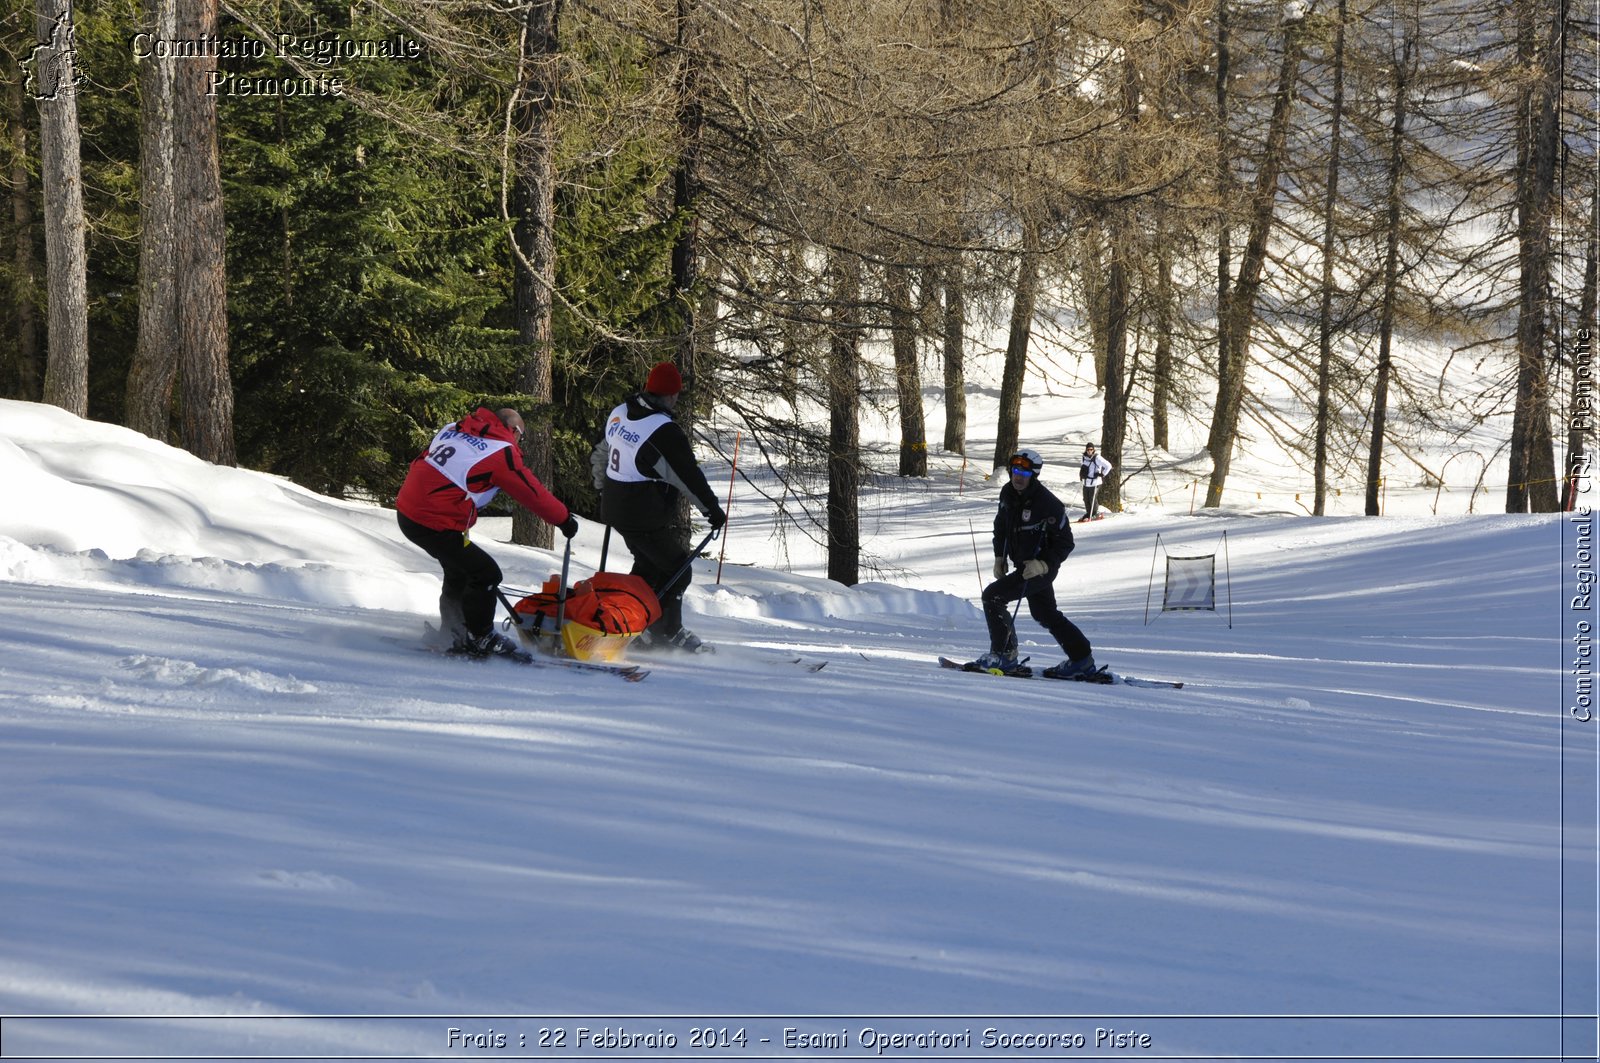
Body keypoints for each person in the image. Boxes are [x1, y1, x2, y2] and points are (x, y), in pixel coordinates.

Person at [396, 406, 578, 658]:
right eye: (520, 437)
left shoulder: (455, 428)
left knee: (459, 570)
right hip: (433, 522)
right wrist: (564, 519)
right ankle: (481, 636)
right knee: (486, 573)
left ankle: (453, 631)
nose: (518, 443)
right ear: (513, 430)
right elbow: (532, 493)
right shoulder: (500, 452)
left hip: (409, 512)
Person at [592, 362, 727, 652]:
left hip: (616, 506)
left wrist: (601, 487)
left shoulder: (621, 413)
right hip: (642, 512)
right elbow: (688, 476)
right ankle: (668, 633)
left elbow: (602, 453)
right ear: (672, 395)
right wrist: (712, 511)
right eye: (676, 394)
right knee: (679, 569)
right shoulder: (663, 430)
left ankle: (629, 624)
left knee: (649, 568)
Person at [976, 448, 1096, 678]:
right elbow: (1001, 526)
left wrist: (1042, 565)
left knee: (992, 596)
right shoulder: (1007, 493)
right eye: (1016, 469)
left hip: (1040, 569)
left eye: (1025, 472)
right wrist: (999, 557)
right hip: (1022, 565)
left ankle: (1005, 655)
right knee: (1045, 613)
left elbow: (1065, 543)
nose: (1019, 476)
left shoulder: (1048, 504)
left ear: (1035, 475)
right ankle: (1082, 659)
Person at [1079, 442, 1113, 521]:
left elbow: (1108, 466)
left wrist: (1102, 474)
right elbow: (1082, 467)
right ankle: (1088, 513)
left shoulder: (1097, 458)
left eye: (1091, 449)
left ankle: (1095, 513)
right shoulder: (1084, 457)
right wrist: (1081, 475)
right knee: (1085, 498)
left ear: (1093, 450)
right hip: (1086, 481)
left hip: (1095, 482)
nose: (1089, 451)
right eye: (1088, 449)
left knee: (1092, 498)